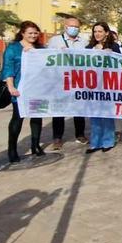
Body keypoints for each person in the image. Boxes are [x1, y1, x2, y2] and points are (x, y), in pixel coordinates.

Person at [3, 21, 45, 162]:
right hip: (19, 88)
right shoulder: (13, 48)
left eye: (35, 33)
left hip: (38, 88)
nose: (33, 35)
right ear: (22, 33)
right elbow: (8, 68)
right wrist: (10, 86)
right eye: (30, 33)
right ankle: (12, 149)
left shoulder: (40, 48)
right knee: (18, 118)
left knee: (37, 116)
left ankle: (35, 145)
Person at [48, 16, 87, 150]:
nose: (74, 29)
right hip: (60, 80)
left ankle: (80, 134)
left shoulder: (84, 41)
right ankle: (57, 137)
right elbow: (46, 57)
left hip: (78, 80)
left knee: (79, 109)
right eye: (72, 26)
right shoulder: (55, 41)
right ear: (65, 27)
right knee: (59, 109)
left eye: (77, 27)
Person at [85, 22, 122, 154]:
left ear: (106, 32)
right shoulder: (89, 48)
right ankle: (95, 143)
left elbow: (121, 63)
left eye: (100, 31)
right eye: (95, 31)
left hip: (108, 86)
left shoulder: (114, 46)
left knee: (107, 115)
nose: (97, 34)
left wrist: (111, 54)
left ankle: (108, 141)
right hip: (92, 86)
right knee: (94, 116)